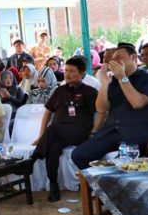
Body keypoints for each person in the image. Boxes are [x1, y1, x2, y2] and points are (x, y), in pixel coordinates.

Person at [71, 43, 148, 169]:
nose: (114, 62)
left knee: (121, 166)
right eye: (112, 59)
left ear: (133, 58)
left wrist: (123, 78)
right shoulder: (112, 81)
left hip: (137, 132)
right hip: (111, 131)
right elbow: (102, 108)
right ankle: (98, 186)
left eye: (119, 58)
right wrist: (104, 85)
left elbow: (137, 103)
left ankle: (109, 186)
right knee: (78, 155)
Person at [31, 56, 102, 202]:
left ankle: (33, 158)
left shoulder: (90, 91)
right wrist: (41, 135)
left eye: (72, 71)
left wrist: (94, 132)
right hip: (59, 133)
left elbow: (102, 112)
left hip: (79, 132)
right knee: (53, 148)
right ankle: (54, 185)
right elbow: (48, 112)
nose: (67, 74)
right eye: (66, 70)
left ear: (82, 73)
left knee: (52, 129)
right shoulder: (59, 91)